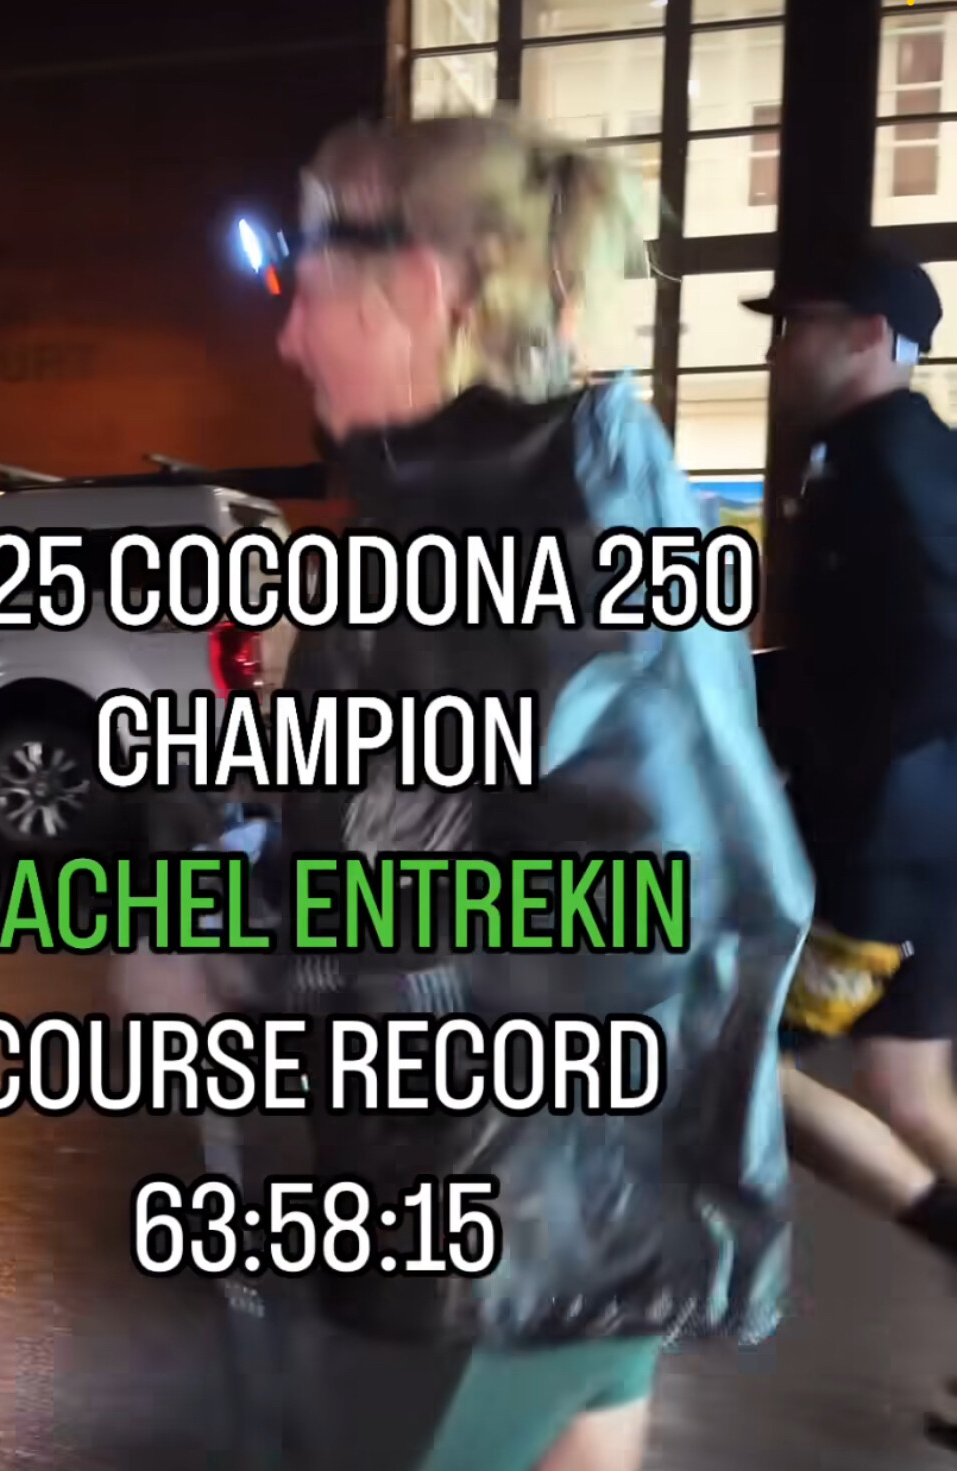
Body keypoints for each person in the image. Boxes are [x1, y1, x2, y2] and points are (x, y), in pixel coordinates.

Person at [263, 112, 812, 1471]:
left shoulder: (462, 551)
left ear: (419, 287)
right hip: (607, 1190)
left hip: (482, 1224)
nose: (286, 337)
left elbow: (400, 931)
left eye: (303, 281)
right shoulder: (608, 484)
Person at [744, 247, 957, 1450]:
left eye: (799, 324)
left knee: (731, 1064)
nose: (781, 348)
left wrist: (828, 761)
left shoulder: (888, 471)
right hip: (925, 839)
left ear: (869, 334)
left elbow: (922, 654)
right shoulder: (898, 457)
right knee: (907, 1091)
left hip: (882, 854)